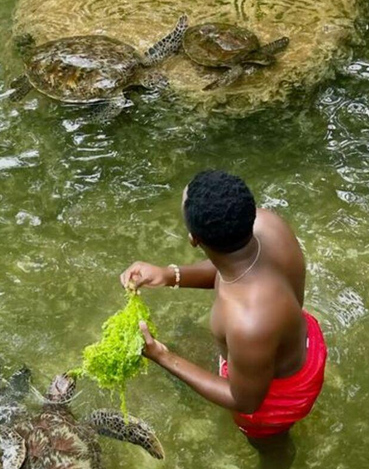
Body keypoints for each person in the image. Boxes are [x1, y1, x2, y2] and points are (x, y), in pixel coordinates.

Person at [120, 170, 326, 465]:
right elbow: (231, 263)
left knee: (271, 447)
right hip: (302, 340)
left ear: (194, 239)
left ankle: (277, 459)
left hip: (276, 398)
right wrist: (168, 275)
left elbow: (245, 400)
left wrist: (162, 356)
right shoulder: (268, 224)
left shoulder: (246, 321)